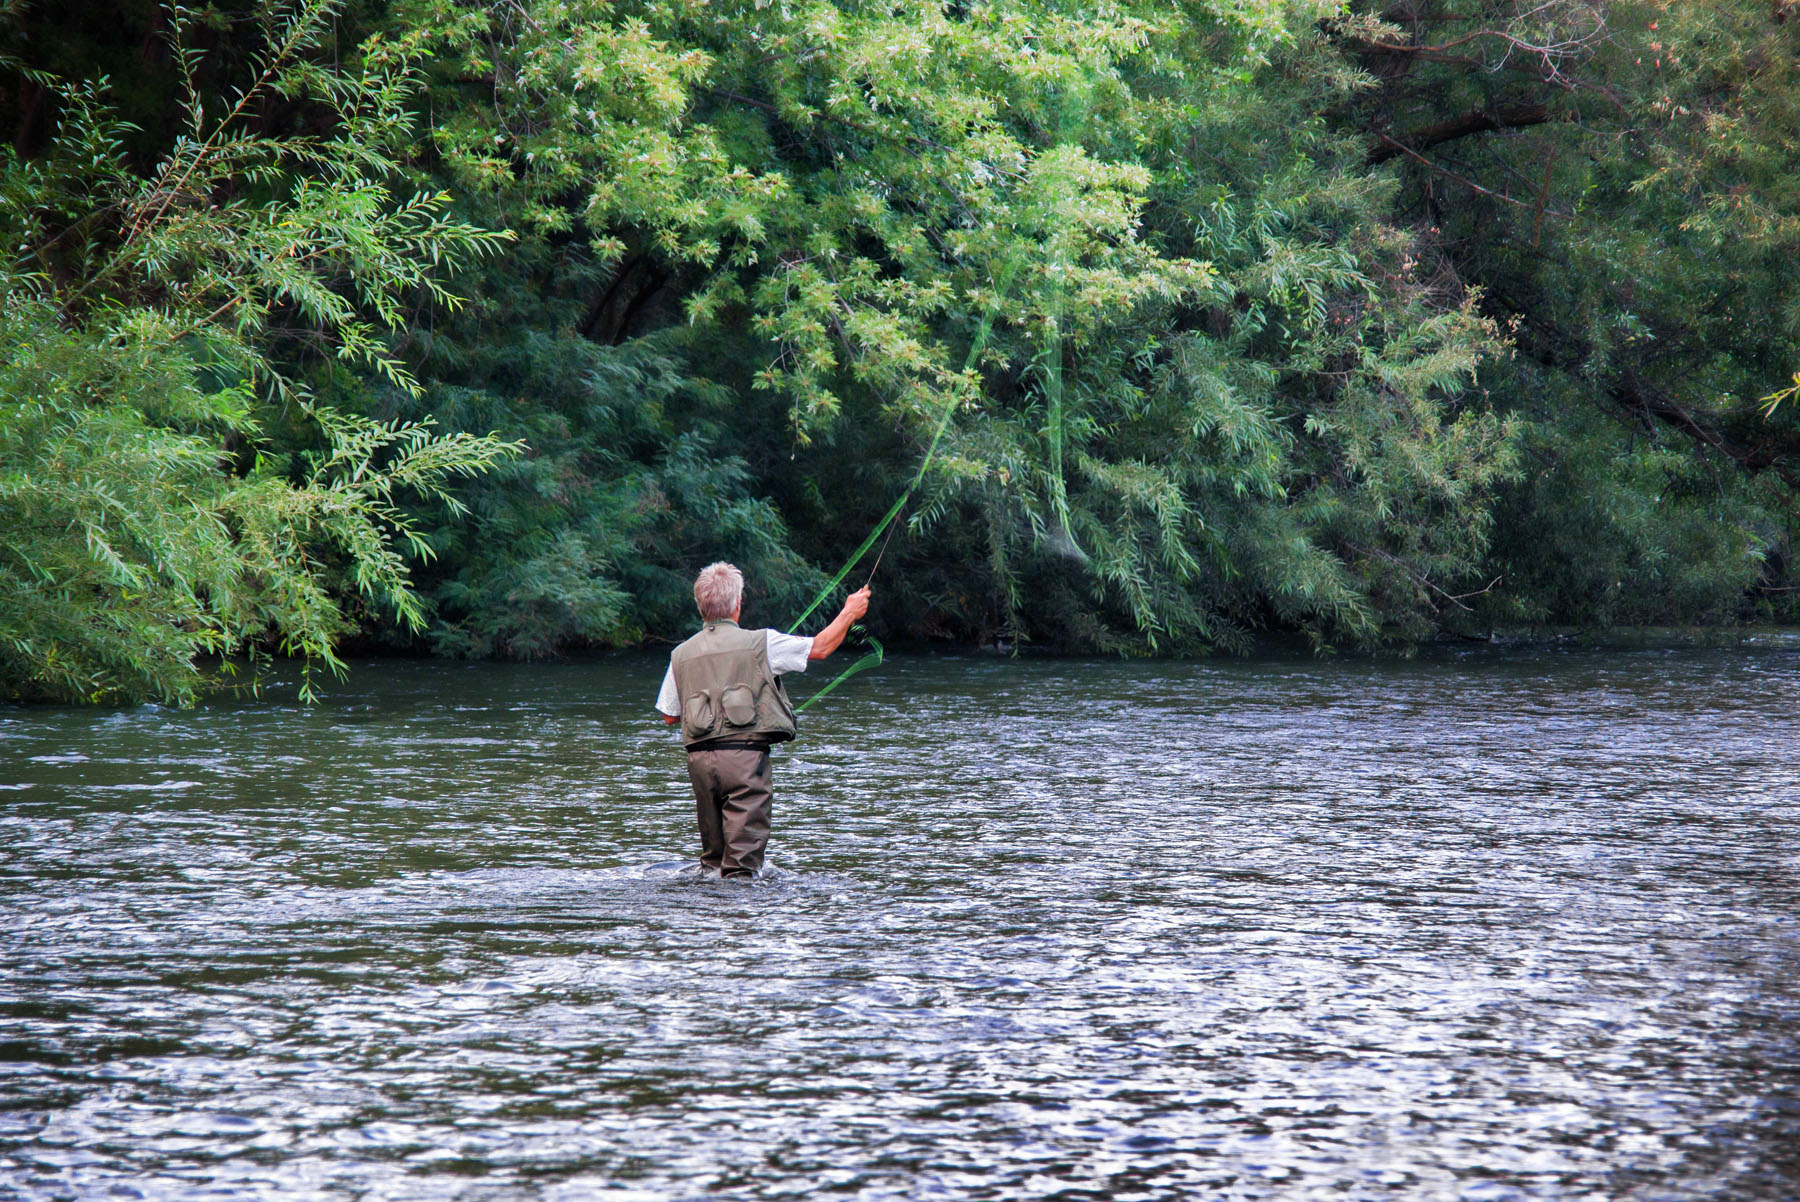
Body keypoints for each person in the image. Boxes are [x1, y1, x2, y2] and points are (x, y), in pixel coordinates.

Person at [655, 562, 871, 878]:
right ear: (737, 606)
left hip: (699, 763)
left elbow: (669, 715)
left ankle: (704, 922)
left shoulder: (680, 654)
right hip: (744, 761)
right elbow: (821, 647)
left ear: (701, 606)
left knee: (713, 864)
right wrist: (850, 612)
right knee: (741, 869)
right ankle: (738, 923)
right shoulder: (762, 642)